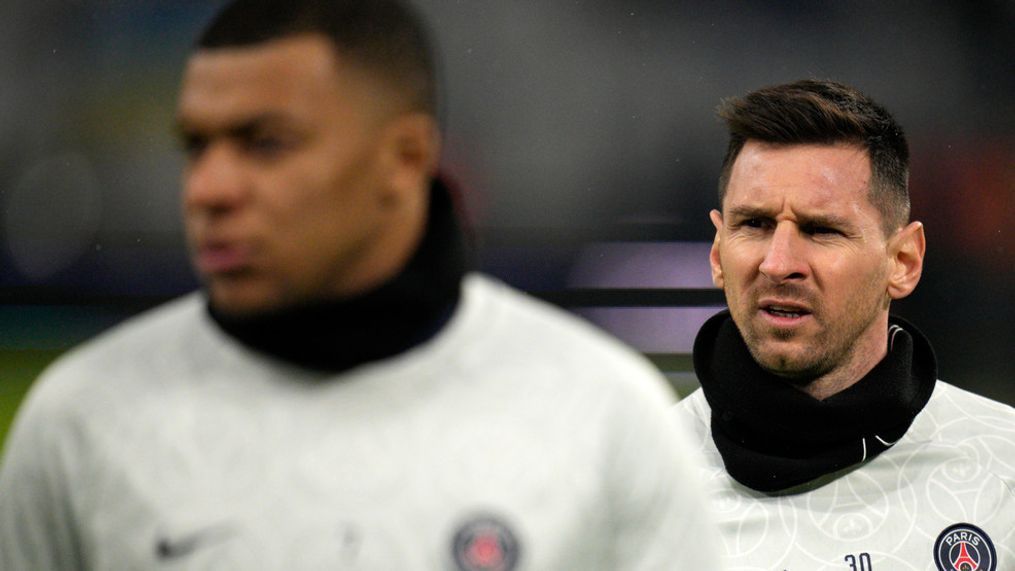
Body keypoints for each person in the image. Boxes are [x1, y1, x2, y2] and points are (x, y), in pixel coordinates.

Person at [0, 1, 722, 569]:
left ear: (404, 158)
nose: (209, 187)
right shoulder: (78, 423)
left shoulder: (601, 414)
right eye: (196, 145)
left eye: (266, 143)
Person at [675, 79, 1015, 570]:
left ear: (902, 261)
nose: (779, 262)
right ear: (717, 253)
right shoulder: (638, 479)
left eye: (821, 230)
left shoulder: (1002, 467)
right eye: (754, 224)